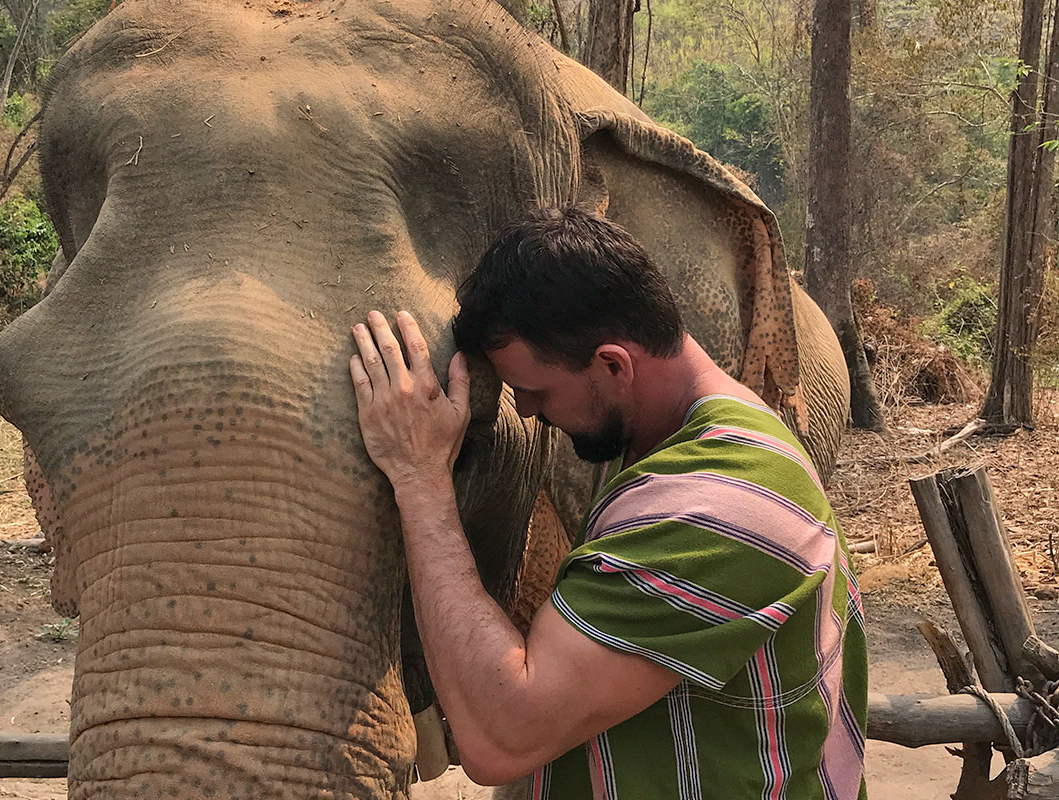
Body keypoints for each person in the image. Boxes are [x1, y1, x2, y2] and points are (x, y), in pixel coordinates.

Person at [348, 206, 867, 799]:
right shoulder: (691, 449)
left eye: (536, 391)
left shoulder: (712, 505)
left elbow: (502, 735)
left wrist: (420, 478)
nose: (526, 412)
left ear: (614, 364)